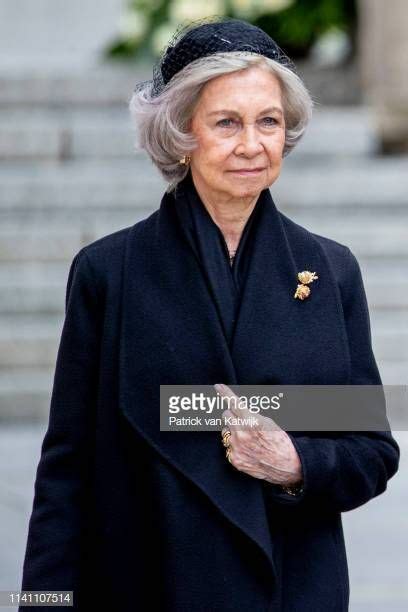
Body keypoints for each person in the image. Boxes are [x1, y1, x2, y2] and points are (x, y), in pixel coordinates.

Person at [19, 17, 400, 612]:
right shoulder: (108, 273)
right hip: (148, 584)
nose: (252, 144)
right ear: (180, 134)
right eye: (227, 123)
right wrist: (42, 605)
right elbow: (66, 470)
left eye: (268, 121)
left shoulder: (330, 271)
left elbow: (372, 451)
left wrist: (295, 463)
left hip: (289, 590)